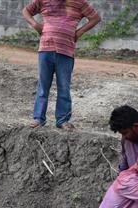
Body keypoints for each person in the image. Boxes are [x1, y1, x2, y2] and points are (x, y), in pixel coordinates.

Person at [22, 0, 101, 129]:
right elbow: (26, 11)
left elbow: (95, 18)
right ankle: (38, 118)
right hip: (46, 48)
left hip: (66, 51)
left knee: (64, 87)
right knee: (43, 86)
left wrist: (80, 32)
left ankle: (62, 120)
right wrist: (35, 24)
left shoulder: (79, 2)